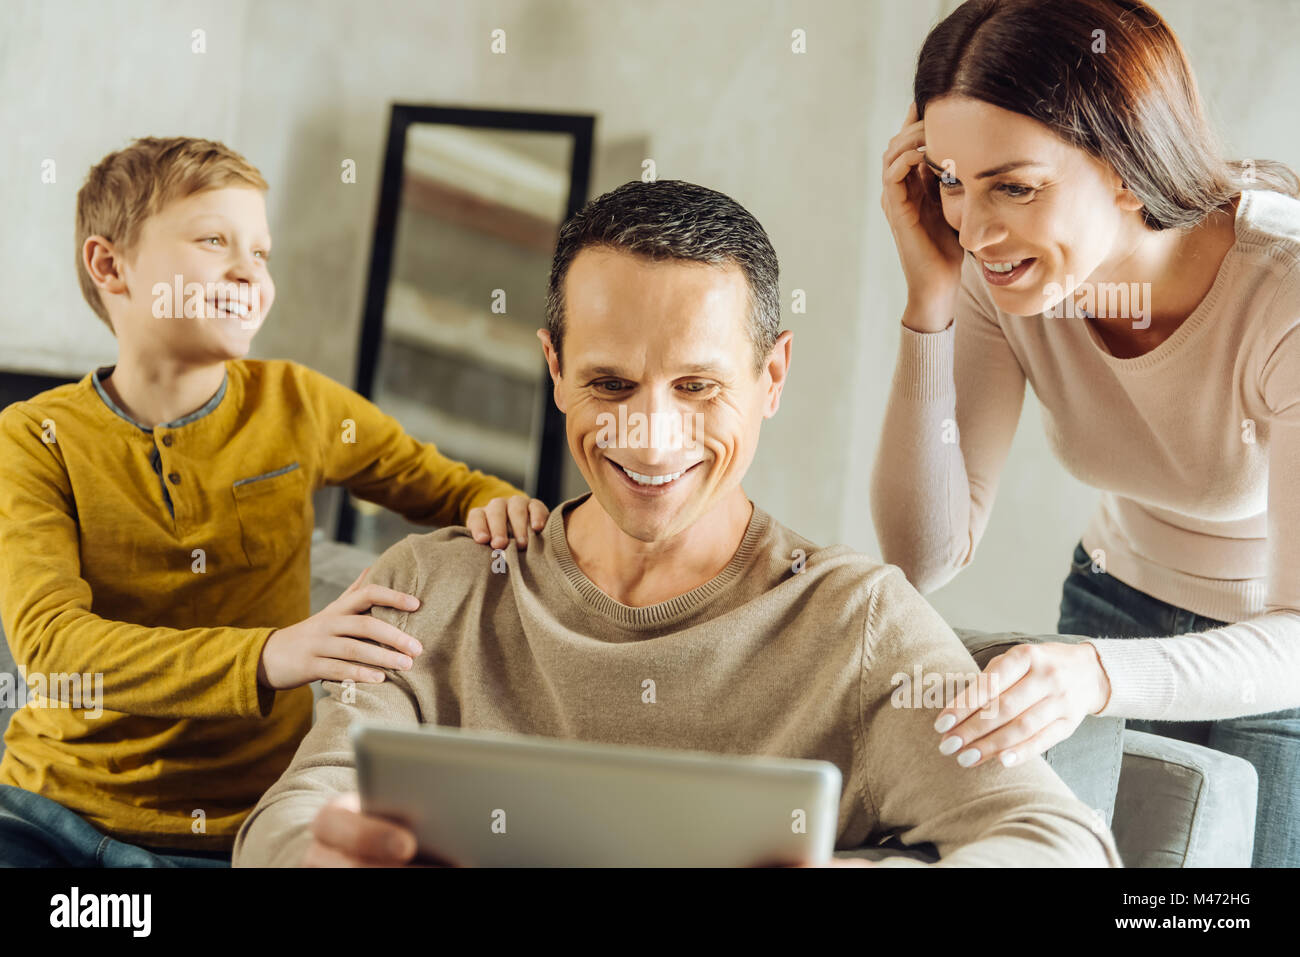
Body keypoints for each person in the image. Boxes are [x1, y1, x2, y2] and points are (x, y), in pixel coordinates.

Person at [233, 179, 1119, 868]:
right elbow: (293, 810)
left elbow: (1059, 843)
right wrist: (318, 848)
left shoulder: (856, 623)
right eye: (610, 384)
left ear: (772, 376)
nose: (650, 436)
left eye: (698, 387)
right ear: (554, 365)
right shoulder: (434, 588)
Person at [0, 136, 546, 867]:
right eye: (214, 240)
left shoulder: (300, 403)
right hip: (44, 813)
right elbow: (52, 648)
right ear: (110, 266)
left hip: (240, 834)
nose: (248, 272)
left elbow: (456, 490)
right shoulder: (33, 436)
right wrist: (270, 653)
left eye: (261, 253)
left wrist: (503, 505)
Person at [874, 0, 1300, 866]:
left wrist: (1098, 674)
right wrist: (930, 304)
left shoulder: (1282, 298)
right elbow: (924, 554)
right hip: (1115, 602)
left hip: (1275, 657)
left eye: (1014, 186)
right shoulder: (997, 277)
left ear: (1127, 166)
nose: (975, 229)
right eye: (951, 181)